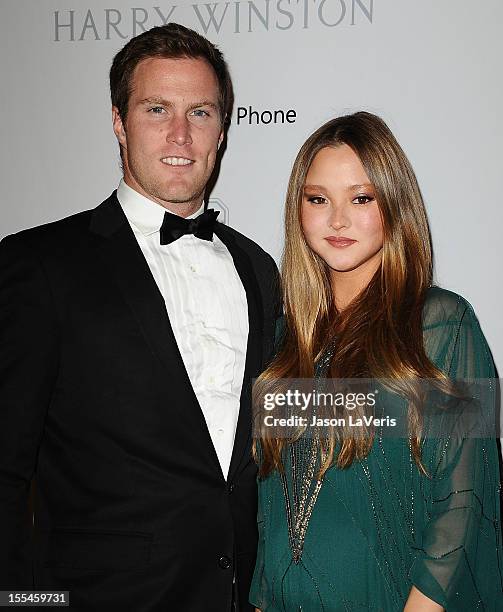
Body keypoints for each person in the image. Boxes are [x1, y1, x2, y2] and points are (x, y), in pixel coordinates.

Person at [0, 23, 280, 611]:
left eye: (200, 112)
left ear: (223, 130)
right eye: (157, 109)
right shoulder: (39, 266)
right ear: (119, 123)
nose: (180, 134)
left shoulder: (259, 268)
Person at [250, 111, 503, 611]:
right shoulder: (284, 340)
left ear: (393, 203)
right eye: (318, 199)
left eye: (360, 198)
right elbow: (273, 512)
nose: (337, 219)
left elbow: (463, 506)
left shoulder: (441, 325)